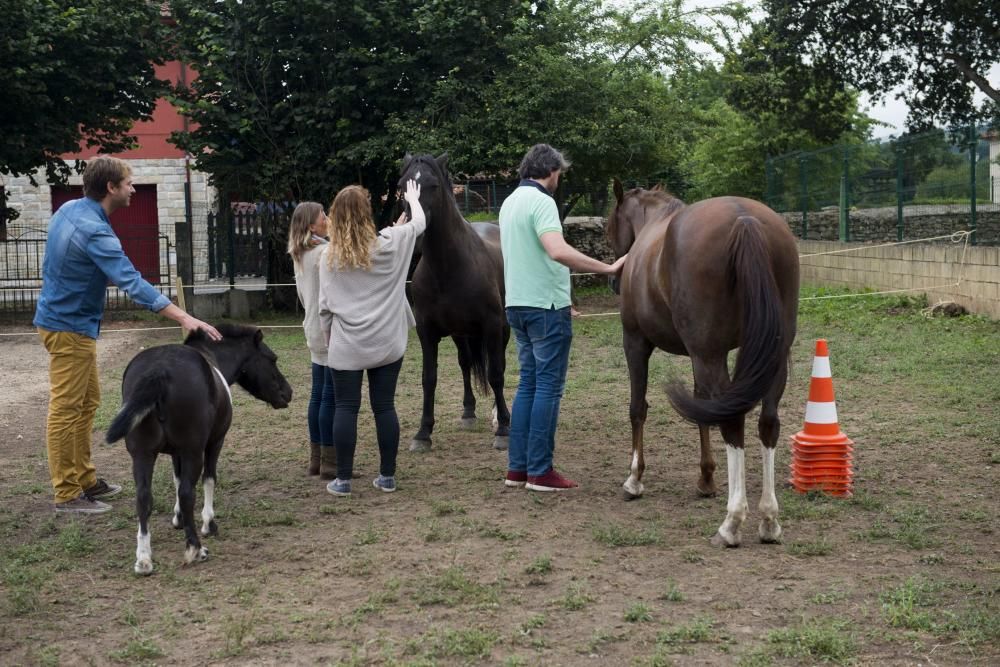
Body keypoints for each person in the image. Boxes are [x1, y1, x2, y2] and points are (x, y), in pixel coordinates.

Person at [33, 156, 222, 515]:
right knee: (67, 408)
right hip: (67, 327)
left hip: (70, 323)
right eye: (129, 182)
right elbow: (131, 282)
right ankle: (67, 492)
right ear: (111, 188)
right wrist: (183, 316)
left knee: (87, 403)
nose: (134, 189)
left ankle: (85, 479)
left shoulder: (70, 209)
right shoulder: (94, 230)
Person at [499, 144, 627, 492]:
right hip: (544, 311)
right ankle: (540, 471)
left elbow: (530, 258)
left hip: (519, 306)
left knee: (528, 383)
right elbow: (556, 250)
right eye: (560, 173)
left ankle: (518, 469)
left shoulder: (510, 202)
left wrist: (559, 296)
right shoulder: (542, 202)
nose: (559, 179)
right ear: (551, 170)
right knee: (548, 389)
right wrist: (607, 268)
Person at [318, 180, 425, 497]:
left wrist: (328, 341)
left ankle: (344, 480)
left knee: (346, 408)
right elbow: (419, 224)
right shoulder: (391, 242)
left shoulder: (328, 257)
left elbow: (325, 309)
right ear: (368, 214)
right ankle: (387, 477)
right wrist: (413, 199)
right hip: (388, 343)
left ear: (335, 217)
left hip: (347, 344)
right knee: (384, 407)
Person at [288, 201, 337, 479]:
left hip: (312, 328)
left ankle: (316, 460)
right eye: (323, 215)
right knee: (329, 395)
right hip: (327, 330)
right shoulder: (323, 252)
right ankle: (331, 462)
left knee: (318, 394)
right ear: (311, 225)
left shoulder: (301, 253)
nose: (327, 218)